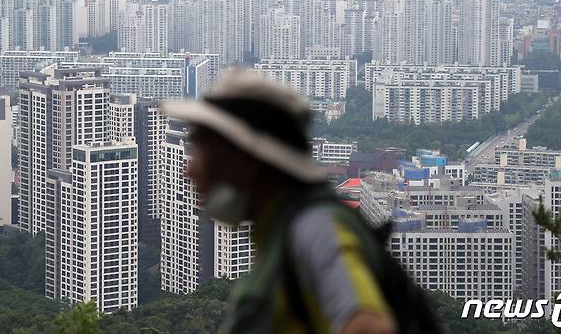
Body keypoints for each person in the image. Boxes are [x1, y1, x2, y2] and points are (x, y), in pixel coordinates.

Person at [163, 69, 397, 334]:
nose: (190, 169)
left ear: (244, 160)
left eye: (201, 149)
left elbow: (370, 326)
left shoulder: (314, 229)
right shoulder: (278, 236)